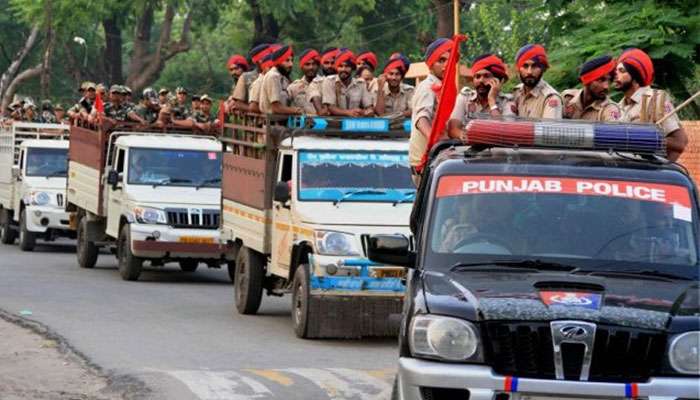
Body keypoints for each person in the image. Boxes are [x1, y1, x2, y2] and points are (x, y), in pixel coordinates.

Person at [614, 48, 687, 161]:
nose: (616, 75)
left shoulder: (655, 100)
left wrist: (661, 171)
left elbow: (679, 142)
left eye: (622, 71)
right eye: (616, 71)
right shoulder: (618, 107)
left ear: (635, 77)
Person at [409, 38, 453, 186]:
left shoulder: (444, 87)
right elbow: (421, 120)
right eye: (441, 60)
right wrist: (439, 144)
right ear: (431, 64)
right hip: (426, 166)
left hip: (436, 163)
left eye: (449, 60)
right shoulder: (428, 87)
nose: (446, 65)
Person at [448, 53, 514, 138]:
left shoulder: (508, 102)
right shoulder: (465, 97)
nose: (481, 80)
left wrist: (492, 101)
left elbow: (505, 133)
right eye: (477, 76)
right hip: (466, 148)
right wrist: (466, 137)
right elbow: (453, 129)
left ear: (498, 81)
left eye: (486, 76)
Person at [562, 55, 621, 122]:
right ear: (587, 82)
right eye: (601, 80)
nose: (606, 86)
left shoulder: (610, 109)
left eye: (609, 80)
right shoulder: (567, 98)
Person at [511, 44, 562, 119]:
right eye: (525, 66)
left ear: (543, 69)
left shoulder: (551, 98)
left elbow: (548, 130)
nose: (529, 72)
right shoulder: (516, 92)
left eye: (534, 66)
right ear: (518, 69)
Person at [321, 49, 374, 117]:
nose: (343, 69)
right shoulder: (329, 81)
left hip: (355, 123)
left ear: (352, 68)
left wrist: (365, 112)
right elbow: (330, 107)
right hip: (335, 124)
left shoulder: (360, 84)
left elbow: (369, 107)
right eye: (340, 66)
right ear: (336, 67)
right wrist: (348, 113)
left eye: (347, 66)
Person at [230, 43, 274, 112]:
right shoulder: (246, 77)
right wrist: (259, 110)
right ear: (257, 61)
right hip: (255, 120)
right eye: (264, 59)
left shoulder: (276, 75)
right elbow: (238, 103)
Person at [260, 45, 301, 115]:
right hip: (272, 123)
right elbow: (276, 108)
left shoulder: (281, 76)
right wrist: (296, 111)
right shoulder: (273, 76)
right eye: (287, 60)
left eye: (292, 60)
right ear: (278, 62)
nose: (291, 64)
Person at [373, 53, 413, 118]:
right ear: (385, 76)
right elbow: (379, 113)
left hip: (403, 126)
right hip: (384, 127)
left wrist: (396, 115)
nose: (394, 78)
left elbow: (413, 110)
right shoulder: (377, 91)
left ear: (402, 77)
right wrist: (380, 88)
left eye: (397, 74)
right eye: (391, 74)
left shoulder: (410, 90)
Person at [287, 48, 321, 115]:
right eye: (307, 64)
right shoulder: (294, 87)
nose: (311, 67)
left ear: (318, 66)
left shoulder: (325, 84)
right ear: (301, 66)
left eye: (314, 64)